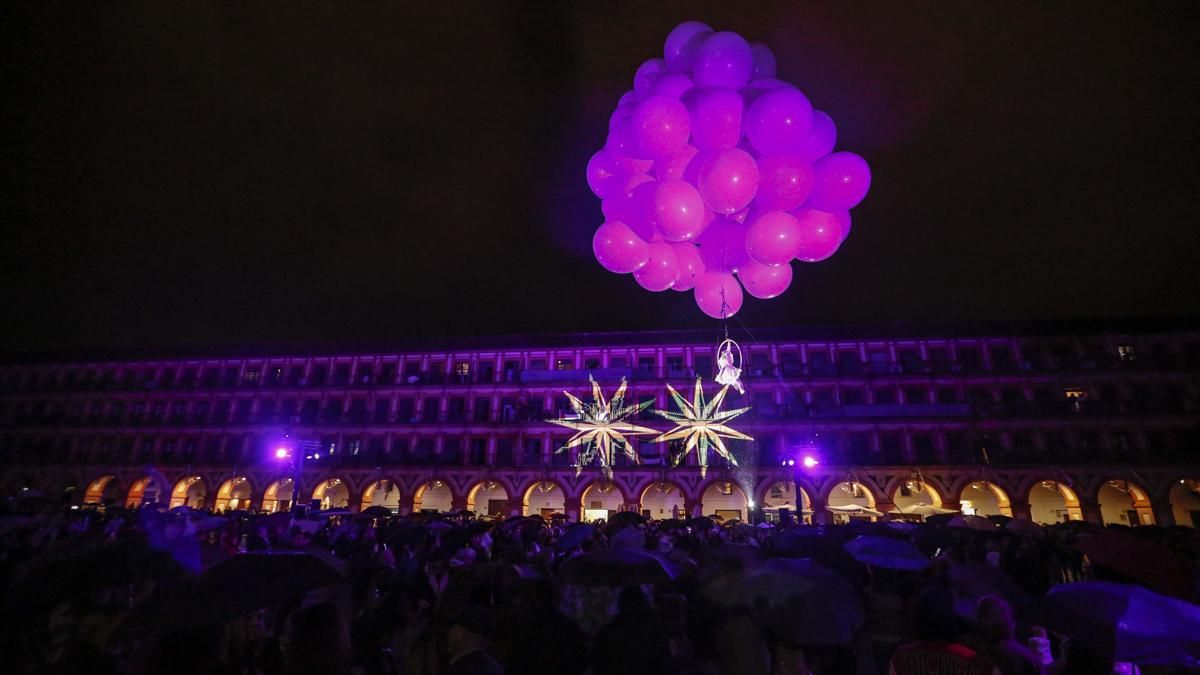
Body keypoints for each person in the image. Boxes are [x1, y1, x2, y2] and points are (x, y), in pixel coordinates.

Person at [961, 596, 1043, 675]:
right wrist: (1043, 646)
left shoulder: (965, 643)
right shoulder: (1015, 652)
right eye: (1009, 616)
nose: (1013, 622)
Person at [445, 606, 504, 675]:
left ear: (462, 634)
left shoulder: (460, 670)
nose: (448, 633)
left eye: (452, 628)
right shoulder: (495, 668)